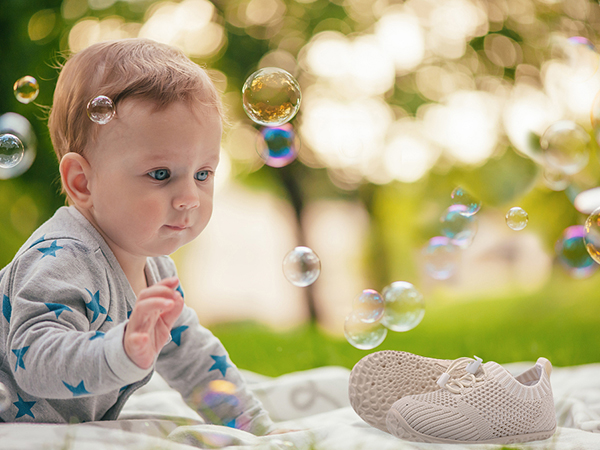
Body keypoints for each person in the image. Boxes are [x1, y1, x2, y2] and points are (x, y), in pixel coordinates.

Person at [0, 38, 274, 434]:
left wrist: (254, 427)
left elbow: (193, 357)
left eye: (203, 174)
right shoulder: (61, 259)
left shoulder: (154, 267)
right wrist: (122, 350)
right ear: (83, 182)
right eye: (160, 174)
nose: (188, 198)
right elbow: (35, 360)